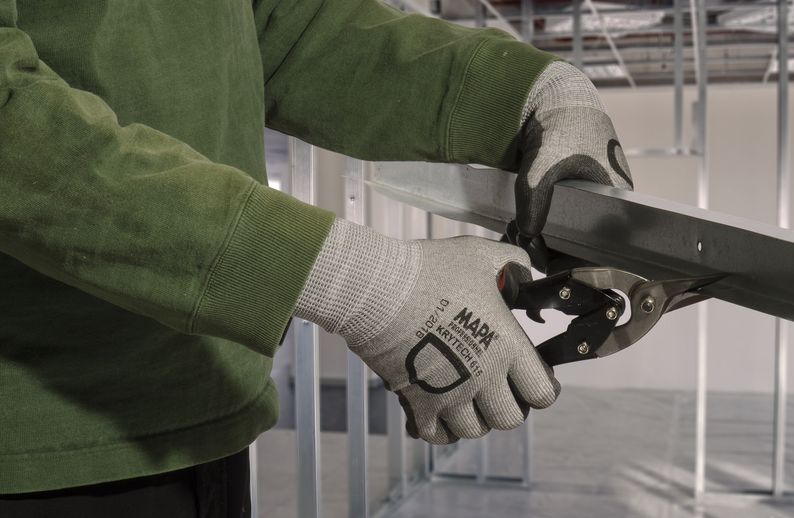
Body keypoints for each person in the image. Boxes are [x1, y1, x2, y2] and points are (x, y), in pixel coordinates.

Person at [0, 0, 632, 516]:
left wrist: (525, 93)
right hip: (38, 446)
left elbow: (289, 28)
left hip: (204, 409)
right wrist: (364, 284)